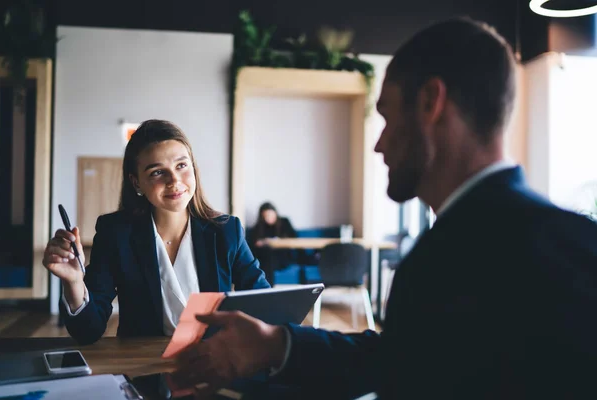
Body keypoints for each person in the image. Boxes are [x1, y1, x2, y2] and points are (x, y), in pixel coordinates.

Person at [169, 18, 597, 399]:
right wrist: (276, 345)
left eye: (387, 116)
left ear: (431, 102)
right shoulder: (576, 243)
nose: (379, 143)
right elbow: (404, 357)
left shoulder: (442, 259)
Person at [42, 120, 270, 345]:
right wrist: (74, 282)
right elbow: (88, 331)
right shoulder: (116, 233)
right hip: (143, 367)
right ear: (137, 183)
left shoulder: (226, 231)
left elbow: (264, 305)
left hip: (214, 362)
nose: (174, 181)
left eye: (181, 166)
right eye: (157, 172)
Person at [247, 202, 297, 286]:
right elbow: (253, 244)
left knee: (268, 259)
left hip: (282, 256)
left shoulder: (284, 223)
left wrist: (279, 241)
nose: (269, 218)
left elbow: (294, 239)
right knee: (267, 256)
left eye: (271, 215)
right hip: (266, 257)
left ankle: (267, 287)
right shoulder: (259, 227)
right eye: (266, 216)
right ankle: (268, 287)